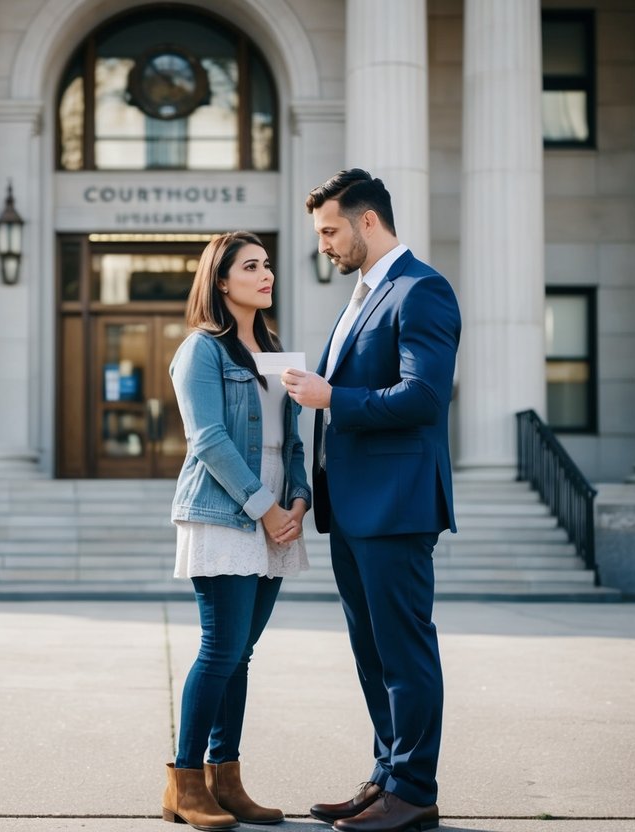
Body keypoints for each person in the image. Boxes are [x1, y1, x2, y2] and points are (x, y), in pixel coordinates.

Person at [281, 170, 461, 832]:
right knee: (372, 651)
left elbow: (423, 397)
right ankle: (387, 774)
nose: (323, 244)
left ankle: (413, 789)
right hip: (351, 506)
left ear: (365, 222)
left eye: (329, 230)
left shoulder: (421, 290)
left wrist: (332, 399)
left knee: (403, 650)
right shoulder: (362, 294)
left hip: (395, 505)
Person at [162, 231, 312, 831]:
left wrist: (297, 498)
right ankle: (184, 781)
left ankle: (227, 778)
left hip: (276, 505)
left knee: (241, 655)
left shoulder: (278, 353)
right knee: (221, 648)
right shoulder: (201, 350)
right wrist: (263, 506)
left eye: (268, 264)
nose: (266, 274)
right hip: (226, 507)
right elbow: (208, 441)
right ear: (221, 282)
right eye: (251, 266)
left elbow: (292, 438)